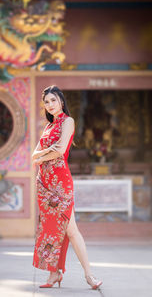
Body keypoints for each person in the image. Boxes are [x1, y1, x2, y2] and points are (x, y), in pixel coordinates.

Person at [32, 85, 102, 290]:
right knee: (51, 228)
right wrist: (46, 153)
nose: (50, 105)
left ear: (61, 101)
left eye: (53, 100)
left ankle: (89, 276)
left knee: (71, 230)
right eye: (46, 102)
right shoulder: (48, 127)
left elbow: (61, 150)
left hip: (60, 183)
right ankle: (54, 273)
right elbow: (33, 157)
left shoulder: (68, 122)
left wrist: (45, 153)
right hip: (44, 184)